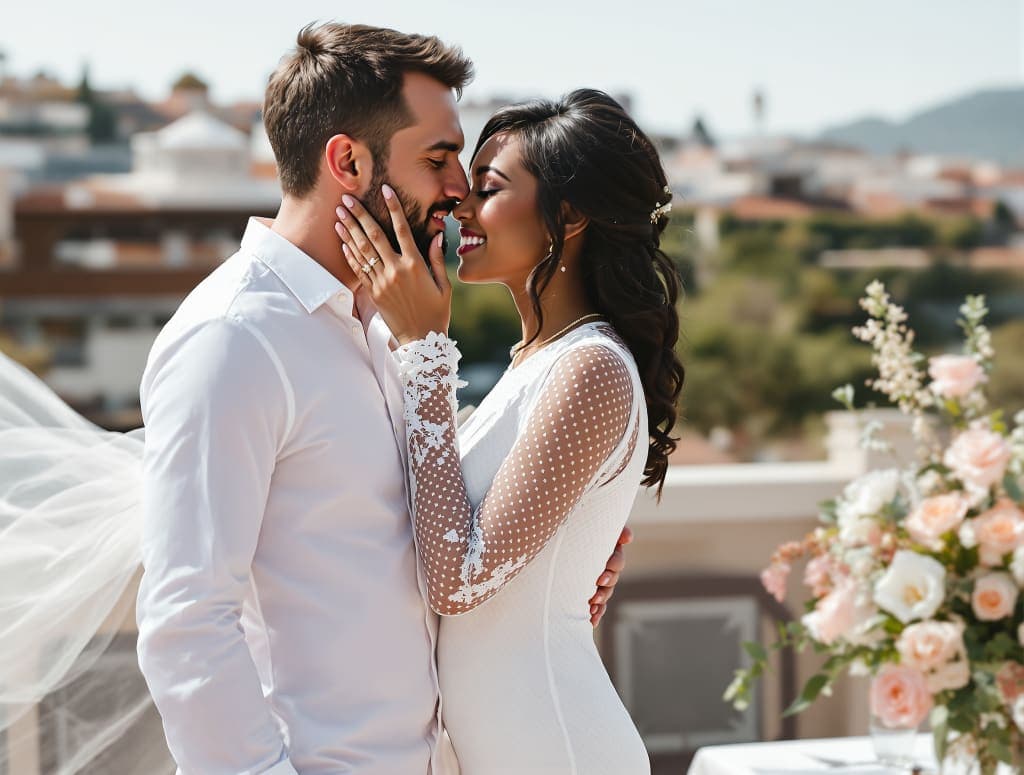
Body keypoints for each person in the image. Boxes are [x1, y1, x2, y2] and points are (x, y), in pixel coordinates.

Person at [0, 22, 630, 775]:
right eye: (438, 157)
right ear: (347, 160)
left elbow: (421, 539)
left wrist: (555, 574)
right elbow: (186, 620)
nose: (458, 186)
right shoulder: (235, 337)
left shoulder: (382, 328)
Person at [335, 88, 684, 774]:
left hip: (558, 748)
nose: (461, 205)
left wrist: (425, 350)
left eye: (489, 187)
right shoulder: (538, 362)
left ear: (571, 215)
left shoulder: (592, 368)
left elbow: (459, 578)